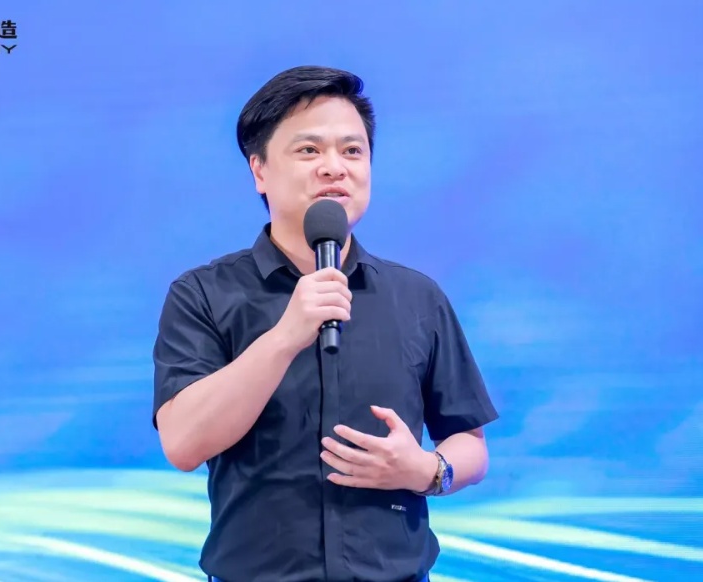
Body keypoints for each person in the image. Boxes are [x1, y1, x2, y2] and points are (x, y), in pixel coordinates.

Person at [152, 65, 499, 582]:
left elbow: (469, 443)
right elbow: (183, 444)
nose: (334, 167)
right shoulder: (203, 293)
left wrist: (427, 470)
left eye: (352, 151)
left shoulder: (417, 297)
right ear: (259, 170)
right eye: (309, 150)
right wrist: (285, 336)